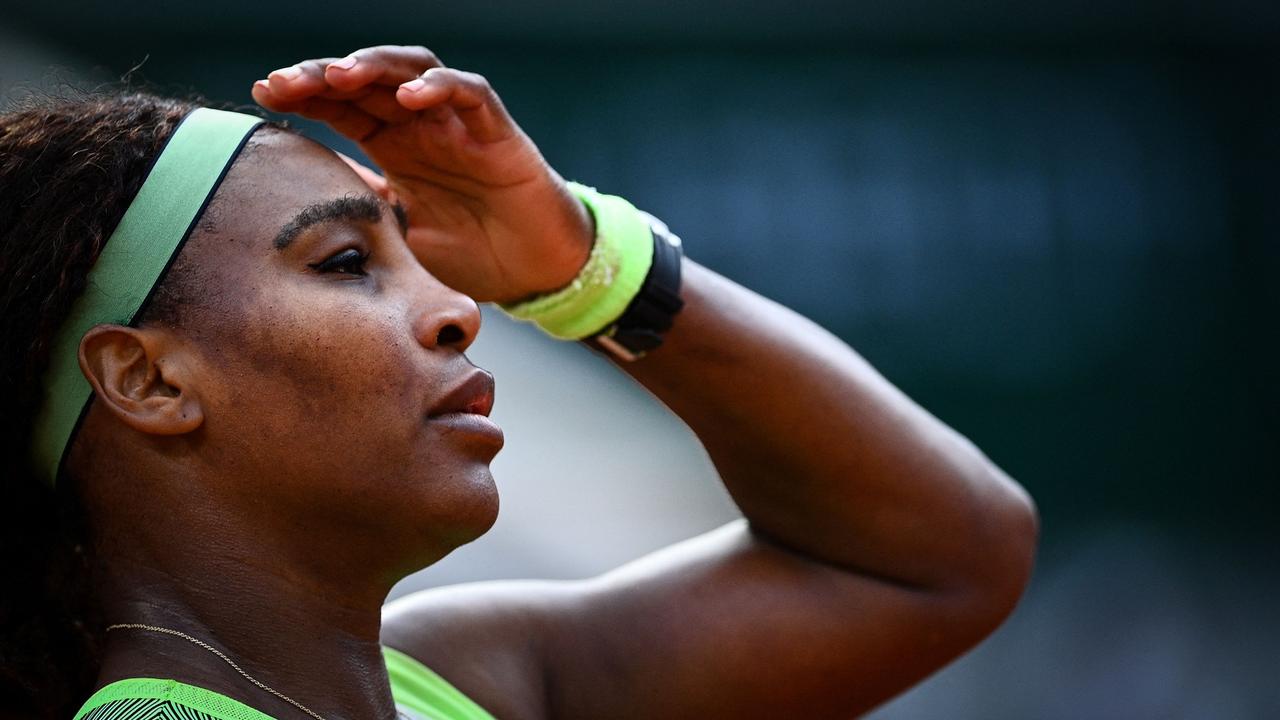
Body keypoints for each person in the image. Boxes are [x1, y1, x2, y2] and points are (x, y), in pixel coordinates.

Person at [0, 44, 1037, 720]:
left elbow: (935, 558)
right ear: (146, 379)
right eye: (345, 264)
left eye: (425, 262)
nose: (461, 310)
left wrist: (583, 267)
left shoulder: (459, 682)